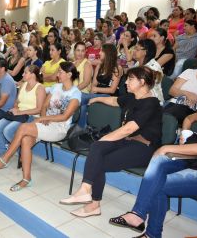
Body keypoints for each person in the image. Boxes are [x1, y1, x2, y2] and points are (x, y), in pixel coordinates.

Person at [60, 66, 162, 218]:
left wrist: (105, 138)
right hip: (127, 141)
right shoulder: (133, 97)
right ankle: (87, 192)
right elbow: (115, 100)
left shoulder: (151, 103)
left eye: (130, 79)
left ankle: (91, 201)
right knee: (98, 149)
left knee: (98, 155)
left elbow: (128, 129)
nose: (126, 82)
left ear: (142, 82)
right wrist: (96, 98)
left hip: (144, 147)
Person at [109, 110, 197, 238]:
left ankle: (150, 232)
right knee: (158, 162)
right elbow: (188, 118)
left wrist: (166, 147)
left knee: (158, 184)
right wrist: (185, 135)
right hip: (194, 159)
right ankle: (138, 214)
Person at [0, 61, 81, 191]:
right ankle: (26, 179)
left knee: (23, 128)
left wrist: (44, 118)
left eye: (60, 71)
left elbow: (64, 117)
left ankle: (4, 159)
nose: (57, 73)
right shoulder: (56, 87)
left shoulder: (75, 93)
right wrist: (43, 117)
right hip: (45, 122)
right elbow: (44, 106)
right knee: (25, 140)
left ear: (69, 74)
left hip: (59, 128)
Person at [0, 65, 46, 155]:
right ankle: (4, 153)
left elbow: (39, 110)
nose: (22, 74)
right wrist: (15, 108)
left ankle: (17, 148)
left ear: (32, 75)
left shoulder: (40, 88)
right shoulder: (23, 85)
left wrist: (20, 112)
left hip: (31, 116)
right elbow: (17, 101)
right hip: (18, 114)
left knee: (8, 131)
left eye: (25, 72)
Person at [79, 44, 123, 127]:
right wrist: (93, 92)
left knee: (81, 97)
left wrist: (96, 89)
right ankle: (82, 128)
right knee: (83, 106)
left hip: (110, 95)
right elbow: (94, 84)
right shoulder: (99, 66)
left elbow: (112, 90)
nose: (99, 52)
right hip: (98, 92)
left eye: (102, 51)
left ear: (108, 53)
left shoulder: (117, 68)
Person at [164, 55, 197, 125]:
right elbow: (172, 91)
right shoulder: (190, 72)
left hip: (195, 113)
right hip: (175, 104)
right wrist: (188, 94)